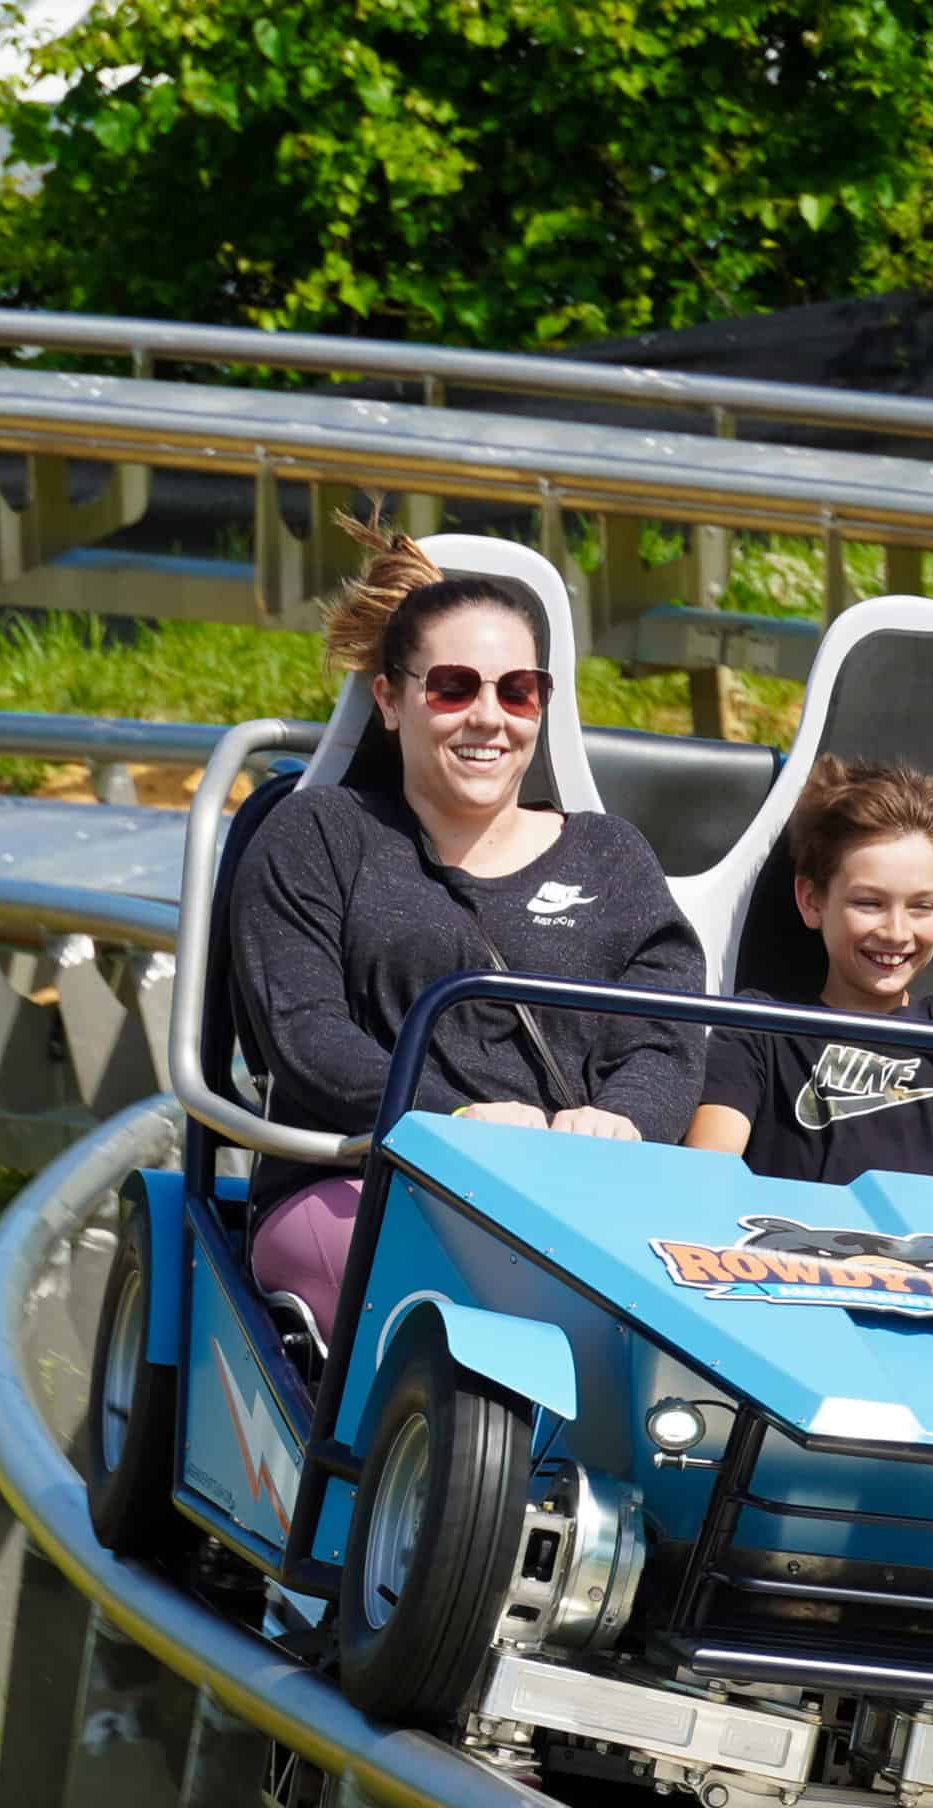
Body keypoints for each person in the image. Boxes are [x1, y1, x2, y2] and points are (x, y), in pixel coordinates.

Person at [230, 521, 705, 1336]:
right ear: (390, 698)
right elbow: (305, 1032)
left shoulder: (609, 852)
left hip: (572, 1194)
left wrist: (624, 1118)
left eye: (516, 691)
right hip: (372, 1177)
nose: (489, 717)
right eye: (454, 687)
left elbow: (666, 1025)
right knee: (464, 1299)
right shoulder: (318, 835)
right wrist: (450, 1116)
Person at [686, 757, 933, 1186]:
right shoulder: (759, 1029)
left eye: (922, 906)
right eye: (869, 903)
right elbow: (705, 1177)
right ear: (812, 901)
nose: (897, 932)